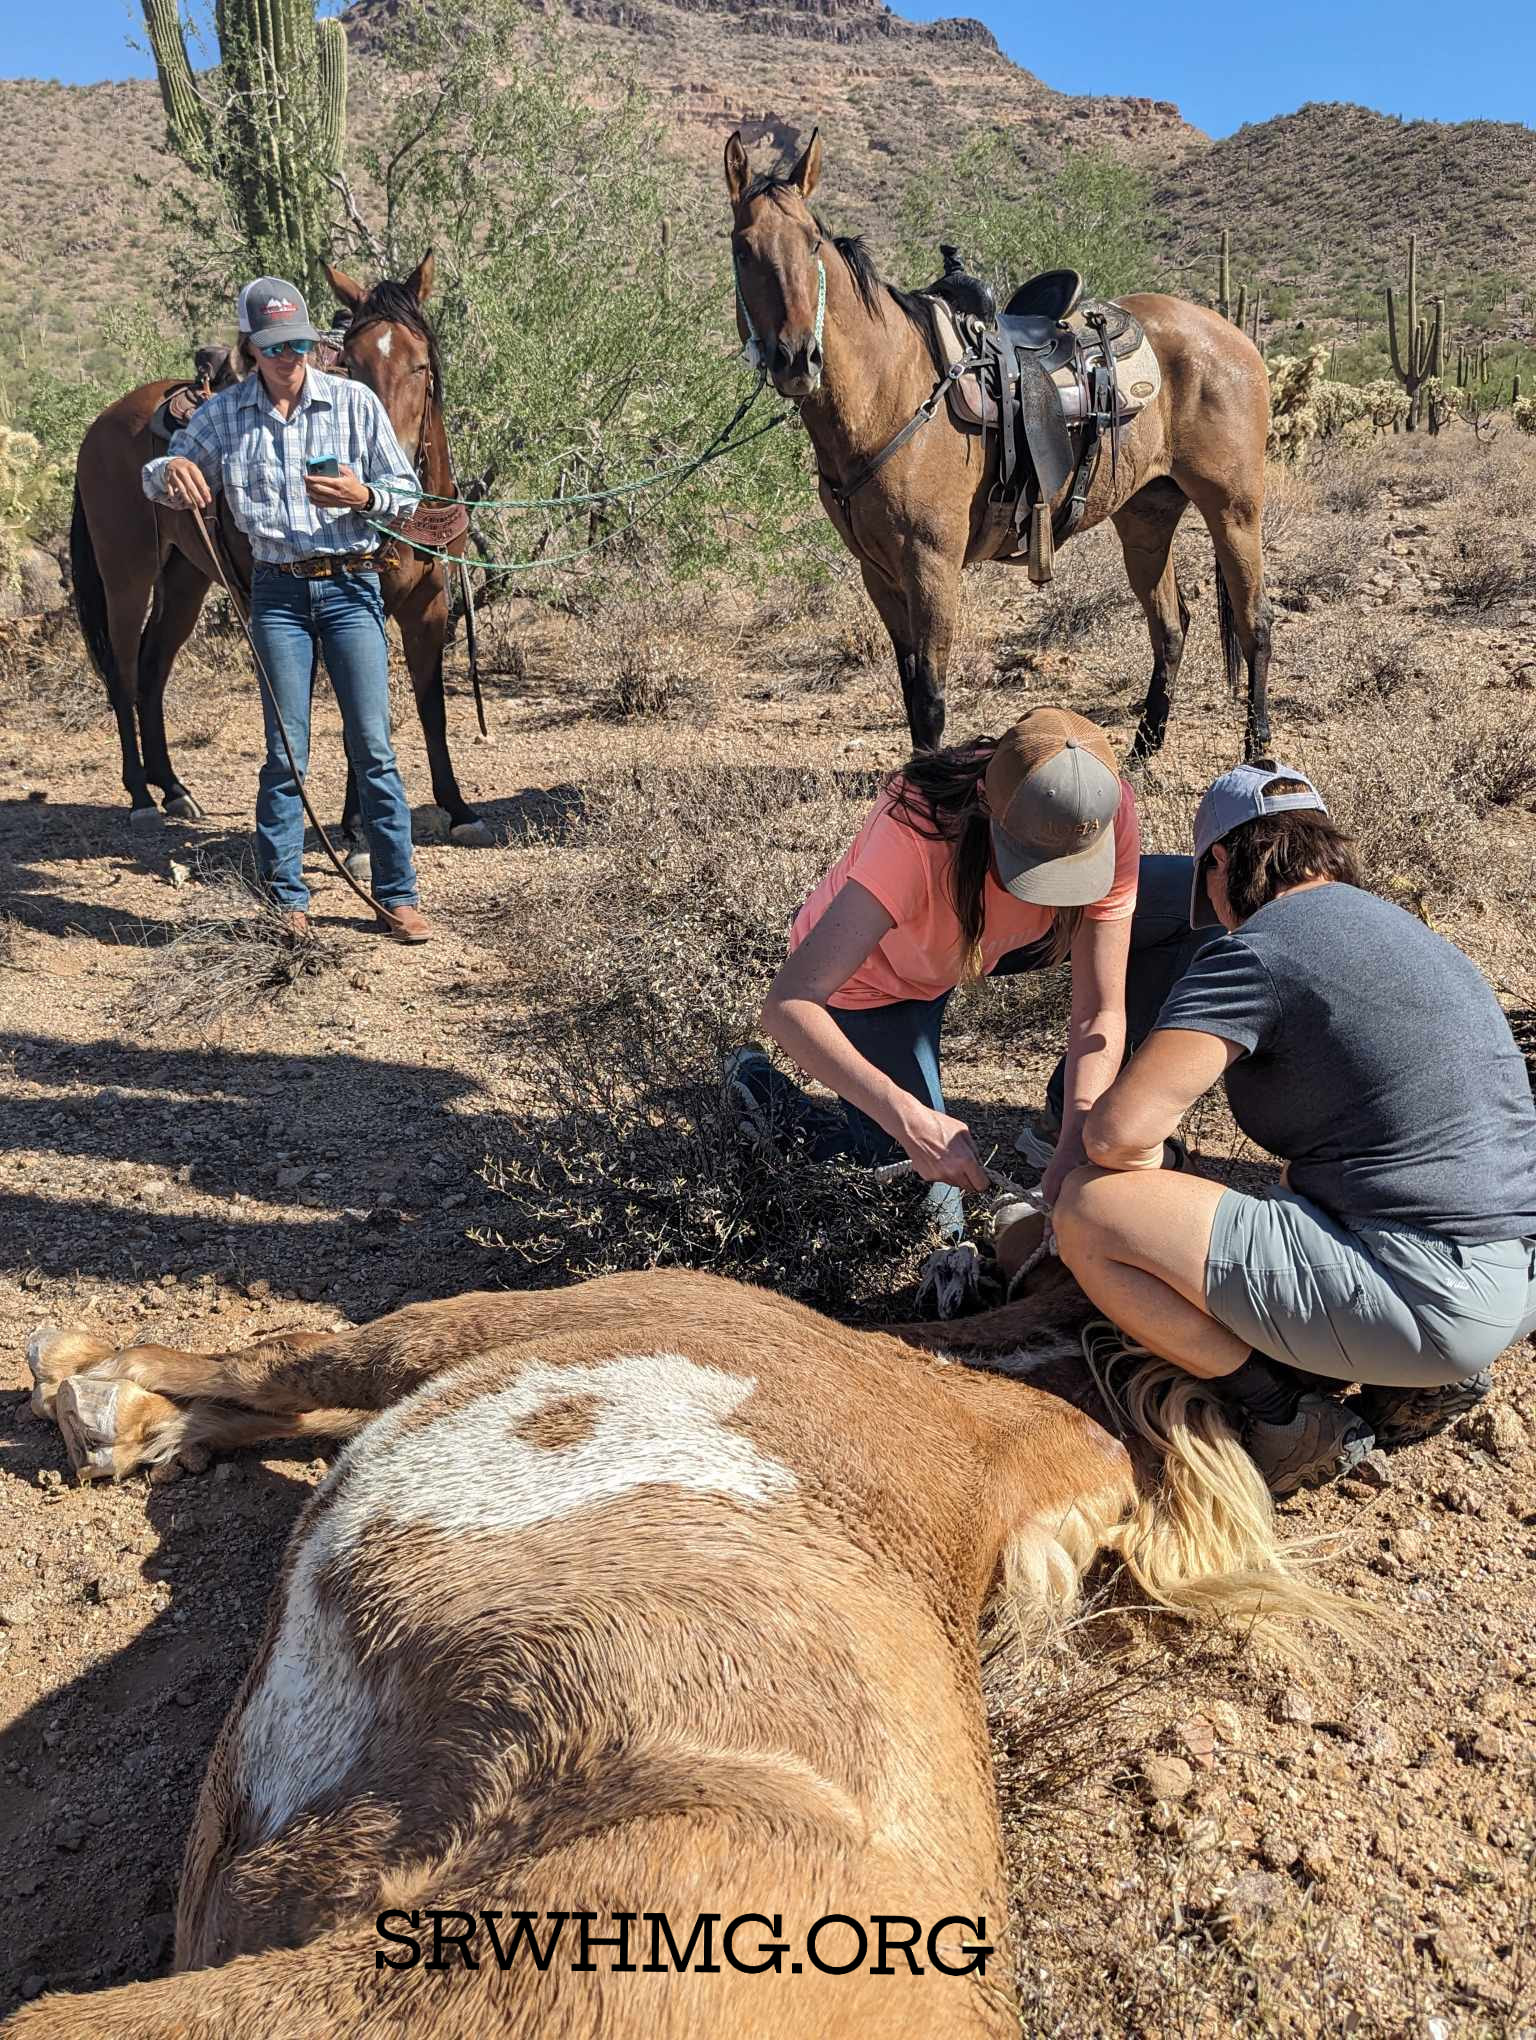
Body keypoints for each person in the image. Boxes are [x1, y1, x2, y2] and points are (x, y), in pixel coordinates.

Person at [1053, 762, 1536, 1496]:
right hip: (1512, 1282)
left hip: (1433, 1299)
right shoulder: (1403, 932)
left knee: (1091, 1211)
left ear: (1219, 861)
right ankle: (1408, 1381)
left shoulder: (1260, 949)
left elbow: (1118, 1136)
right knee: (1285, 1189)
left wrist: (1155, 1165)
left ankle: (1283, 1416)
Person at [726, 706, 1204, 1235]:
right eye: (1031, 865)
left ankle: (1054, 1118)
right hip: (878, 980)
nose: (1056, 888)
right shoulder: (915, 834)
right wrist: (911, 1120)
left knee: (1196, 907)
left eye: (1071, 872)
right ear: (985, 806)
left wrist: (1077, 1136)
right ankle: (762, 1093)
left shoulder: (1096, 809)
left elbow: (1099, 1011)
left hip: (988, 944)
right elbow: (788, 1003)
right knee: (928, 1211)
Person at [142, 276, 432, 944]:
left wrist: (364, 496)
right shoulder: (224, 415)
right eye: (274, 345)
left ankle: (397, 895)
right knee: (286, 753)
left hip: (352, 586)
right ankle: (287, 899)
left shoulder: (355, 404)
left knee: (374, 748)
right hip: (277, 593)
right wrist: (169, 475)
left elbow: (406, 496)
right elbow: (156, 475)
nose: (289, 356)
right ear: (251, 347)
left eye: (299, 342)